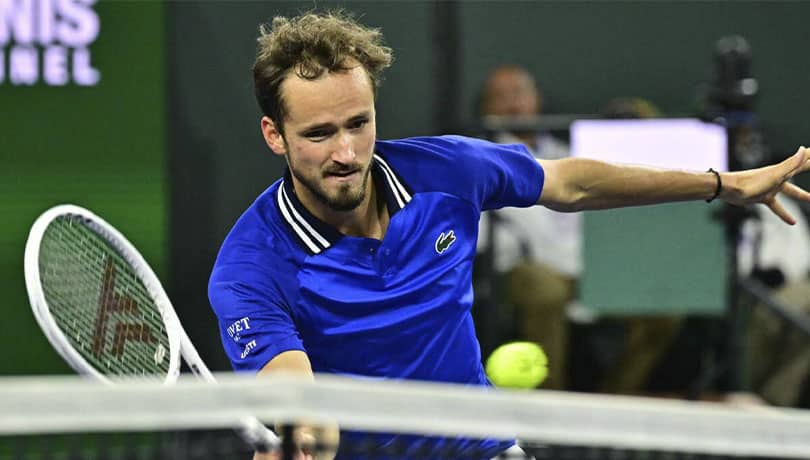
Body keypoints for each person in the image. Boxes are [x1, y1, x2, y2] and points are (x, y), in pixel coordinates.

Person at [207, 11, 810, 460]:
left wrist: (718, 182)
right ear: (273, 135)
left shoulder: (444, 172)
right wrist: (302, 438)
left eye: (358, 124)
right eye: (318, 133)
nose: (345, 152)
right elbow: (297, 397)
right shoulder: (250, 268)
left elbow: (570, 184)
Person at [476, 65, 579, 390]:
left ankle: (623, 402)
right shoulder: (479, 160)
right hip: (521, 270)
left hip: (590, 268)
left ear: (537, 99)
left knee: (660, 310)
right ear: (486, 109)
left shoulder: (568, 156)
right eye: (501, 97)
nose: (513, 105)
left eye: (519, 93)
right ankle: (552, 418)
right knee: (546, 289)